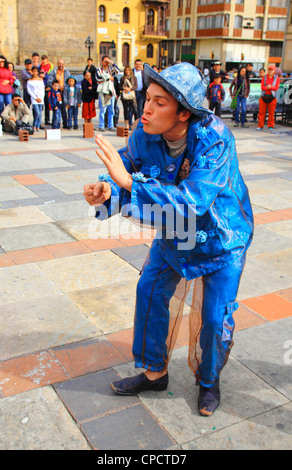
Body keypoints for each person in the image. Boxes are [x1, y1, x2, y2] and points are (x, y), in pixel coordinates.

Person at [83, 62, 254, 417]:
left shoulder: (214, 137)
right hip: (175, 232)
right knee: (149, 290)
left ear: (184, 113)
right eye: (147, 98)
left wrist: (128, 184)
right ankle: (154, 371)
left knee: (215, 316)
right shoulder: (144, 134)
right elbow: (125, 167)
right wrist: (105, 190)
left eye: (159, 103)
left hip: (222, 237)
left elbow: (194, 201)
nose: (146, 109)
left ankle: (209, 382)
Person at [95, 55, 120, 132]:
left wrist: (112, 63)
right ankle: (101, 125)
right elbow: (98, 79)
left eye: (108, 61)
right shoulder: (99, 70)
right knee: (103, 110)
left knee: (111, 110)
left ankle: (110, 125)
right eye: (105, 61)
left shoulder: (110, 70)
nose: (106, 63)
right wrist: (108, 77)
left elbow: (117, 71)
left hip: (110, 91)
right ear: (102, 61)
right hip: (103, 92)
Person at [47, 59, 71, 128]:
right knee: (56, 108)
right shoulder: (53, 72)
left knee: (63, 108)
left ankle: (65, 123)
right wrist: (57, 87)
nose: (61, 65)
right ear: (57, 64)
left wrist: (64, 87)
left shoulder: (67, 72)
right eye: (60, 63)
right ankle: (55, 124)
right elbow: (49, 82)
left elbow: (69, 81)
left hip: (64, 92)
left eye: (62, 64)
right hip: (55, 93)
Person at [257, 65, 280, 132]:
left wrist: (270, 87)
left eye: (272, 70)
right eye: (269, 70)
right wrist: (268, 87)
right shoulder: (265, 77)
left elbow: (276, 87)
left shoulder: (276, 78)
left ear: (274, 71)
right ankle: (260, 125)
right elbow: (262, 87)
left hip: (272, 97)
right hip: (264, 97)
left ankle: (270, 125)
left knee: (271, 113)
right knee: (261, 113)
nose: (270, 71)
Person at [26, 66, 45, 132]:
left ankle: (38, 126)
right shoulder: (29, 81)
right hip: (34, 99)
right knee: (37, 113)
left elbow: (42, 89)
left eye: (36, 71)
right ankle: (34, 125)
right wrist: (35, 98)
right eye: (33, 71)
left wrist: (41, 97)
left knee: (40, 113)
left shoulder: (40, 80)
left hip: (41, 98)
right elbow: (29, 90)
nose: (35, 73)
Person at [120, 66, 138, 130]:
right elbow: (120, 87)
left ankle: (136, 124)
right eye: (126, 70)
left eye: (128, 70)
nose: (127, 72)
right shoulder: (123, 78)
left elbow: (136, 86)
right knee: (126, 110)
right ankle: (127, 124)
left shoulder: (134, 78)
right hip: (125, 96)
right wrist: (124, 88)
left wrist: (130, 89)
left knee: (135, 110)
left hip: (132, 95)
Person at [40, 55, 53, 125]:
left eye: (45, 59)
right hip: (41, 87)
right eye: (42, 59)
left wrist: (44, 76)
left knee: (47, 104)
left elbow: (51, 76)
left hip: (47, 87)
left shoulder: (50, 66)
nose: (43, 61)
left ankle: (47, 120)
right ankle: (39, 120)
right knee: (40, 105)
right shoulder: (40, 66)